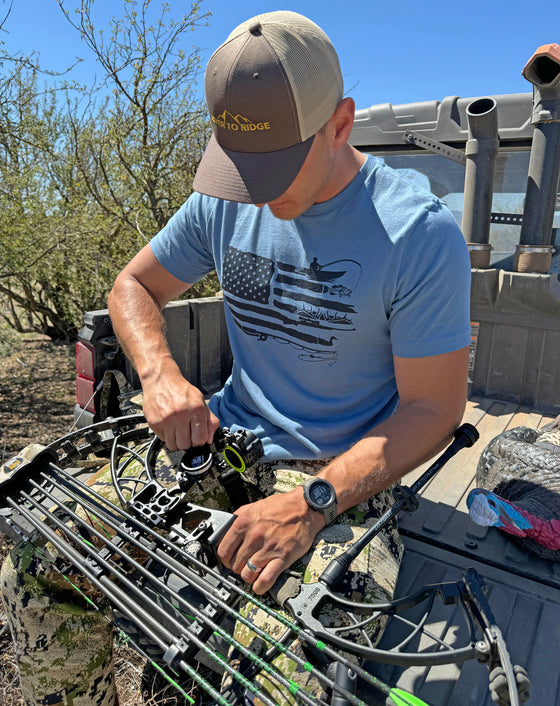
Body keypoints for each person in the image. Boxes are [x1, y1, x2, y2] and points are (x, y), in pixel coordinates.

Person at [1, 10, 471, 706]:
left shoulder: (417, 235)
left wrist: (313, 503)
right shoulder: (225, 199)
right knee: (41, 562)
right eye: (239, 165)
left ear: (340, 124)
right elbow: (133, 286)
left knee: (276, 676)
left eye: (275, 167)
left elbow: (436, 409)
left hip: (337, 474)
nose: (254, 189)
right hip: (225, 442)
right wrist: (160, 375)